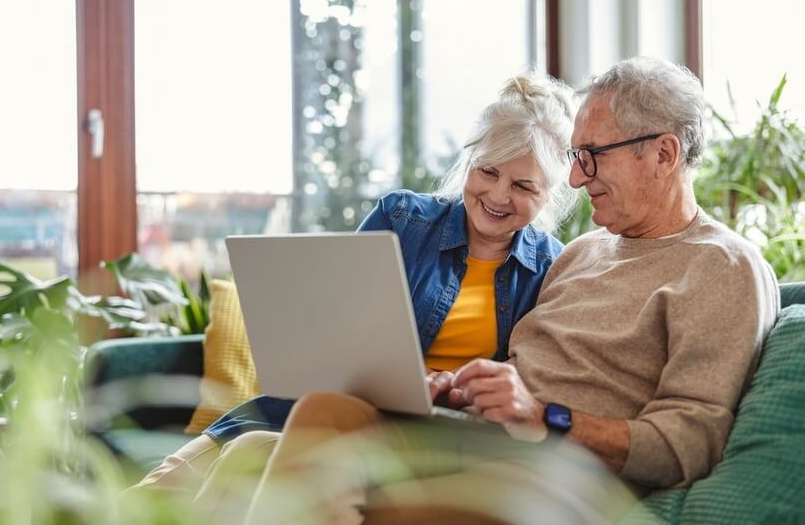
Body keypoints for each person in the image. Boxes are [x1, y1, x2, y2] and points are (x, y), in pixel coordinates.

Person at [214, 57, 780, 525]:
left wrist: (546, 417)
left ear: (663, 153)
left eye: (591, 156)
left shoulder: (723, 267)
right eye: (575, 158)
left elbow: (688, 442)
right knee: (324, 413)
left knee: (326, 488)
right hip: (477, 436)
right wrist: (465, 388)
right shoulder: (584, 253)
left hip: (563, 473)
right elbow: (520, 365)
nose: (577, 180)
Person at [129, 72, 580, 510]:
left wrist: (458, 391)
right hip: (324, 407)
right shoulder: (402, 219)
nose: (498, 195)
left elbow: (528, 387)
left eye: (522, 185)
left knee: (245, 456)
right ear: (469, 162)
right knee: (158, 491)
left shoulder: (552, 268)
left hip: (427, 434)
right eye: (488, 171)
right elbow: (332, 331)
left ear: (550, 195)